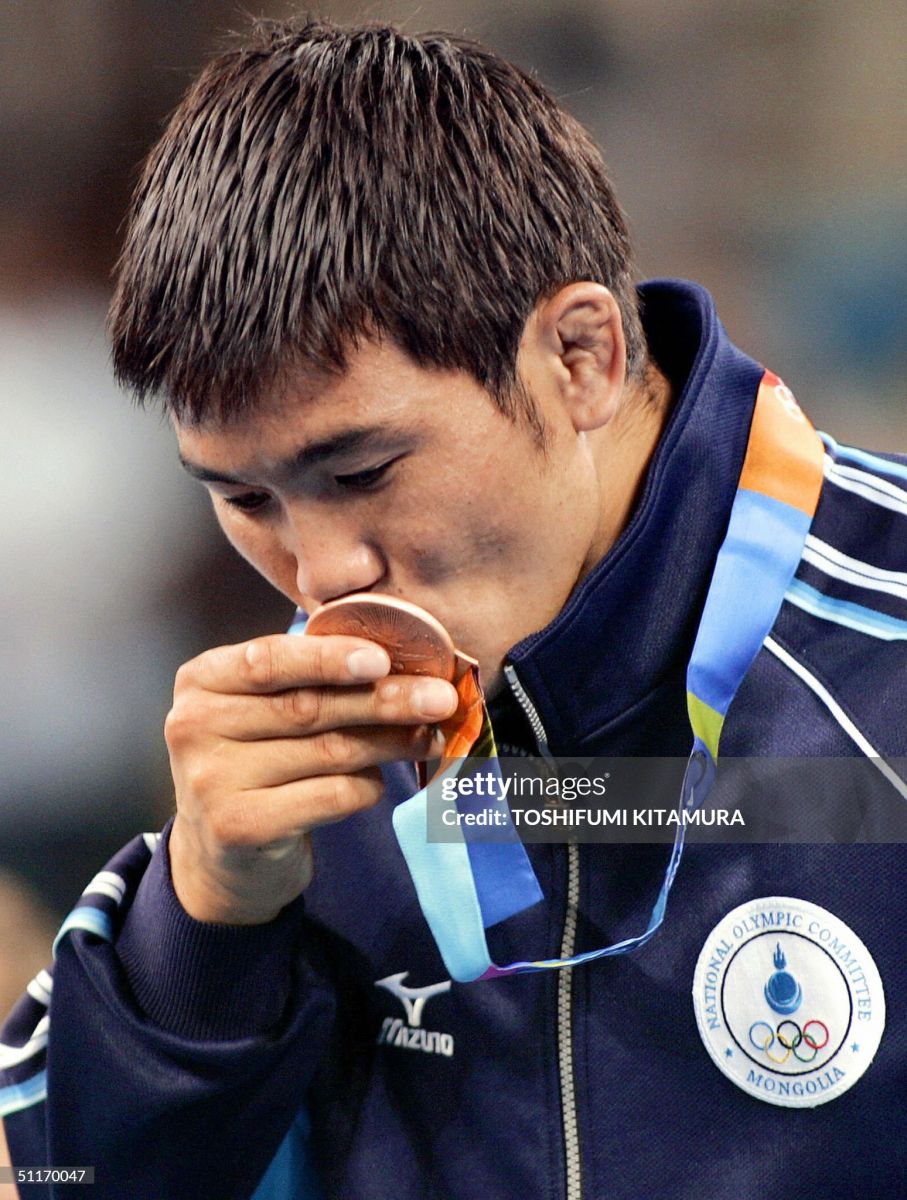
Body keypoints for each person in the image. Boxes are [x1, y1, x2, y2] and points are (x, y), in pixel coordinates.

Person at [2, 17, 906, 1199]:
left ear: (579, 357)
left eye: (361, 471)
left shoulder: (879, 662)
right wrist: (203, 927)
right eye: (244, 498)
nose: (319, 577)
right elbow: (71, 1180)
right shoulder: (292, 780)